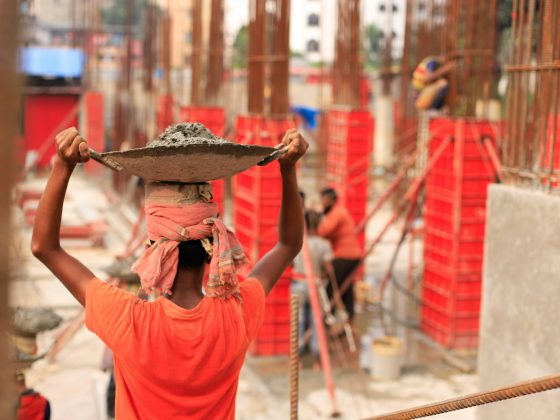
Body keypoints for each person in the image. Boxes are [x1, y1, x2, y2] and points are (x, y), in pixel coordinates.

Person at [31, 126, 308, 419]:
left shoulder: (130, 322)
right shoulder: (235, 316)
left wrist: (62, 166)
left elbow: (44, 247)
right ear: (213, 246)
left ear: (156, 250)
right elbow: (289, 245)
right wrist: (288, 170)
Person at [292, 208, 334, 368]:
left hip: (298, 284)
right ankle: (317, 360)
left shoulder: (297, 242)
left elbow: (290, 263)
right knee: (317, 322)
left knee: (298, 322)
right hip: (316, 285)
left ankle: (299, 360)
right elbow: (328, 268)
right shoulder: (324, 245)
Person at [317, 188, 361, 321]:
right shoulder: (338, 212)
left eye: (324, 199)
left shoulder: (336, 213)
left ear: (330, 200)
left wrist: (316, 221)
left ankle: (327, 316)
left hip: (345, 255)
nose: (322, 202)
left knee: (331, 287)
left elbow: (323, 231)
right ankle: (349, 315)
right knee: (345, 287)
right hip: (352, 255)